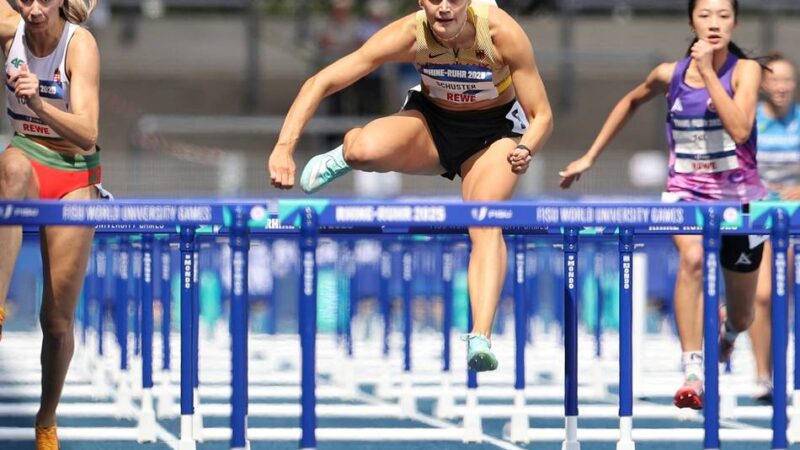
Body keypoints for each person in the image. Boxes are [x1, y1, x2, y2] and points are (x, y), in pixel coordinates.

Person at [268, 0, 553, 372]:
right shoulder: (410, 32)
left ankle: (480, 335)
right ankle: (345, 155)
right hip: (432, 127)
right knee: (362, 149)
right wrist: (284, 148)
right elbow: (321, 80)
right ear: (422, 2)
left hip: (494, 136)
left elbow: (542, 115)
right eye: (436, 0)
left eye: (454, 0)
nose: (445, 9)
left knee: (484, 220)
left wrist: (527, 146)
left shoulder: (501, 32)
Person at [559, 0, 765, 409]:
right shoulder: (667, 74)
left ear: (736, 23)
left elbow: (741, 130)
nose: (714, 24)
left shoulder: (746, 71)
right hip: (684, 192)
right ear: (691, 20)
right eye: (705, 15)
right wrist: (590, 156)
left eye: (724, 16)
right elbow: (630, 101)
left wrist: (708, 74)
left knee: (744, 316)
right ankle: (692, 370)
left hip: (740, 199)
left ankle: (727, 335)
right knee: (691, 260)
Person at [0, 0, 104, 448]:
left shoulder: (79, 45)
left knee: (57, 322)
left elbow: (88, 132)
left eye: (44, 0)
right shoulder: (10, 28)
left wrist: (37, 102)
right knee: (12, 169)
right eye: (25, 0)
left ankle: (46, 419)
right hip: (26, 155)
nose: (35, 10)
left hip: (74, 169)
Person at [748, 52, 800, 403]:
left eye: (787, 80)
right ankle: (763, 374)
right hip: (759, 217)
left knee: (791, 295)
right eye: (775, 79)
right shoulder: (749, 120)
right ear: (763, 84)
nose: (781, 87)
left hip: (797, 219)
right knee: (763, 296)